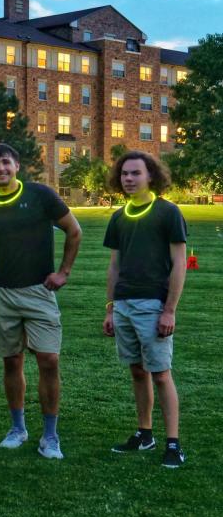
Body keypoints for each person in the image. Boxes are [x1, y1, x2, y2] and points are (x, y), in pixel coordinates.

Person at [0, 143, 82, 459]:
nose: (0, 168)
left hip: (40, 290)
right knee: (11, 360)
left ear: (17, 165)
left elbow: (74, 231)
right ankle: (18, 429)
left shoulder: (40, 195)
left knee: (49, 360)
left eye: (5, 162)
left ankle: (50, 436)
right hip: (2, 292)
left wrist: (64, 272)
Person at [103, 151, 187, 468]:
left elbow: (180, 263)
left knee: (161, 375)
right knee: (137, 371)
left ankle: (173, 443)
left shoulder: (168, 212)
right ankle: (145, 433)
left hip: (154, 304)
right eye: (124, 173)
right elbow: (114, 266)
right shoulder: (119, 217)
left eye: (136, 173)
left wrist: (170, 310)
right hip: (123, 303)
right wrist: (110, 308)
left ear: (150, 176)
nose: (128, 179)